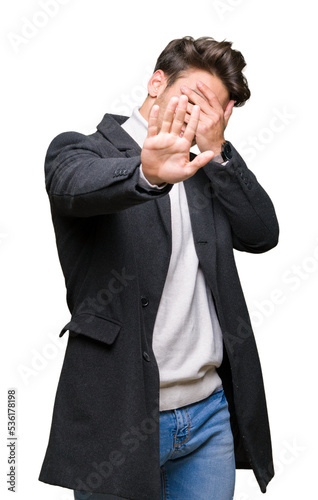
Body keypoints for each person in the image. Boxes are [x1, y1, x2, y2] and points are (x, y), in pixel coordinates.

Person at [38, 36, 279, 500]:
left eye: (216, 111)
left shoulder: (206, 169)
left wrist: (220, 153)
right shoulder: (83, 151)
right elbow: (71, 186)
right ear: (156, 84)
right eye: (194, 99)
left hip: (208, 418)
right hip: (119, 418)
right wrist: (146, 174)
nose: (200, 117)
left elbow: (261, 234)